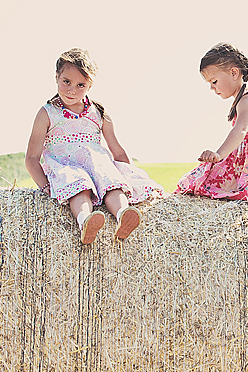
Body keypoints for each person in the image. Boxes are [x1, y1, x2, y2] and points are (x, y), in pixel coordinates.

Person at [24, 48, 163, 243]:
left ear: (90, 85)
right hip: (66, 167)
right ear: (57, 77)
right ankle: (85, 221)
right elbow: (31, 158)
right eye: (66, 82)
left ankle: (123, 215)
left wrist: (128, 173)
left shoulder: (98, 113)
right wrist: (46, 186)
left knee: (113, 185)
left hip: (96, 166)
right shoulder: (47, 113)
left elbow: (117, 149)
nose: (72, 90)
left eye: (80, 85)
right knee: (79, 189)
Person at [176, 42, 248, 200]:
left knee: (202, 181)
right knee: (200, 177)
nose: (212, 88)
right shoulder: (245, 98)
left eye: (214, 82)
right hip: (247, 159)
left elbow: (240, 131)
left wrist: (218, 154)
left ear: (234, 73)